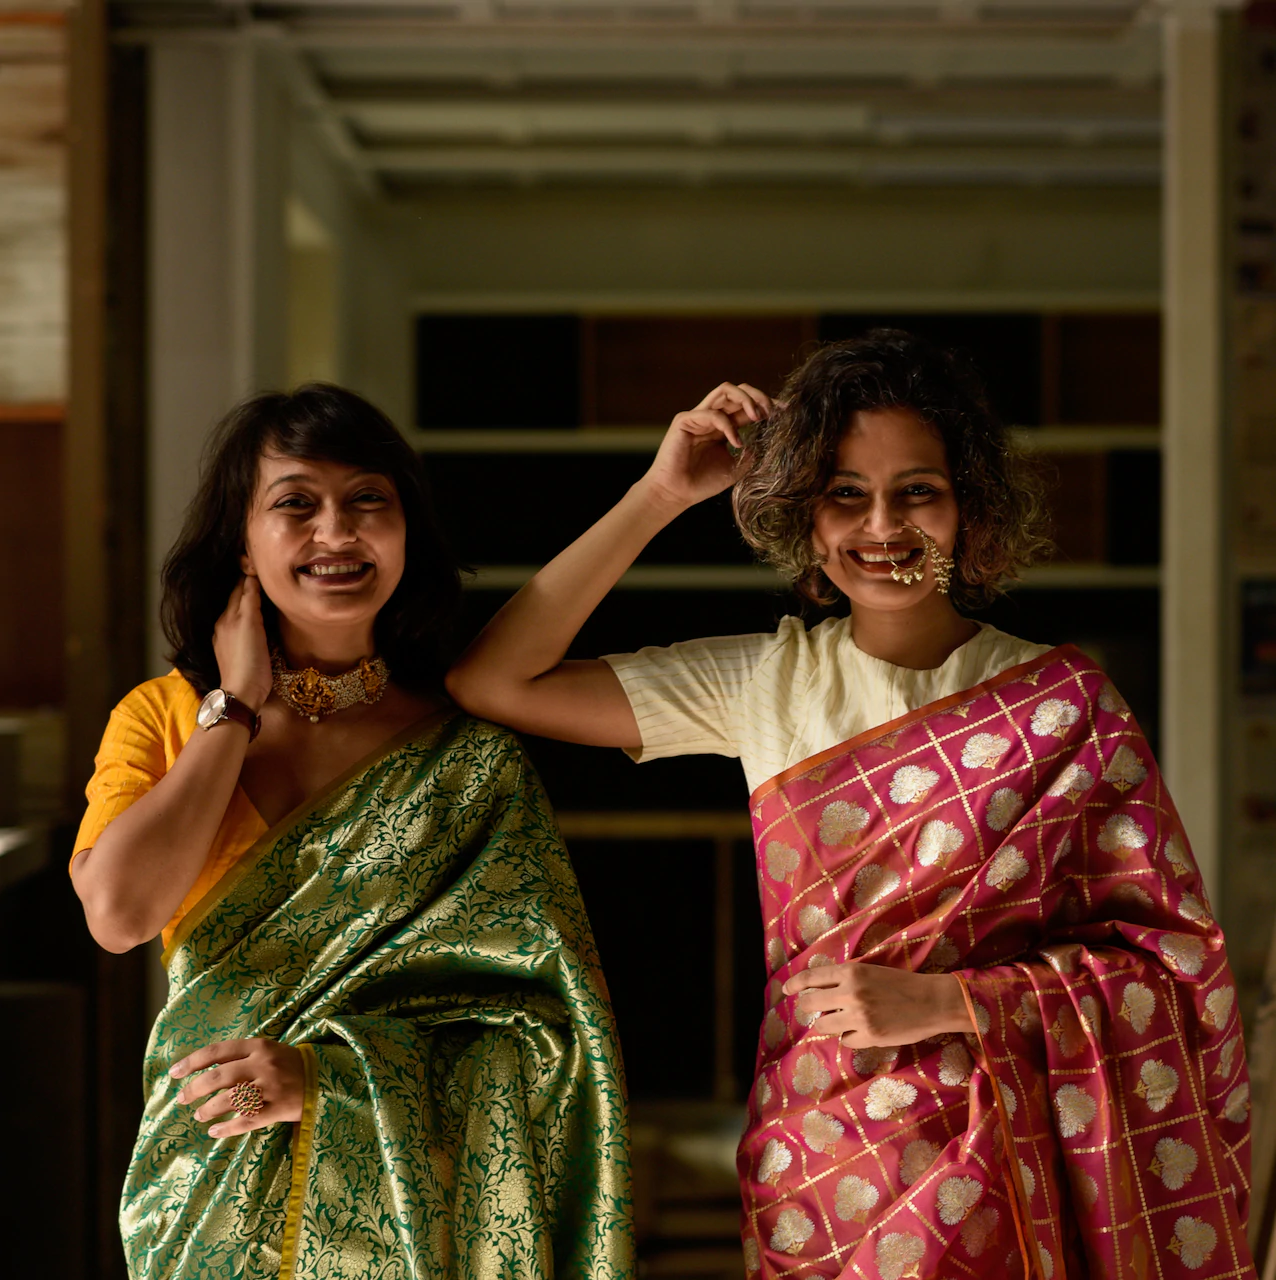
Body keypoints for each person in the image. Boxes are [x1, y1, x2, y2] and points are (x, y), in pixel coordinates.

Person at [445, 332, 1257, 1280]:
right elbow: (494, 679)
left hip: (1008, 1170)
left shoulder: (1065, 703)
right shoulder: (766, 682)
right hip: (817, 1172)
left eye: (918, 490)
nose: (883, 525)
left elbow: (1172, 970)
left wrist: (952, 1002)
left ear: (969, 508)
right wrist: (659, 496)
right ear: (804, 515)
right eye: (844, 493)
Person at [70, 385, 632, 1280]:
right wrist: (236, 708)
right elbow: (120, 914)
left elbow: (548, 1041)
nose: (337, 533)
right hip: (208, 1182)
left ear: (407, 532)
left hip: (411, 1221)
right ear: (240, 543)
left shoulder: (469, 760)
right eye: (294, 504)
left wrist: (328, 1079)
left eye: (369, 500)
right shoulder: (165, 719)